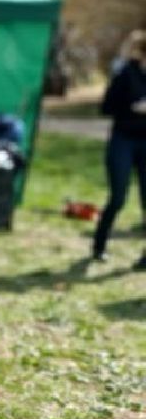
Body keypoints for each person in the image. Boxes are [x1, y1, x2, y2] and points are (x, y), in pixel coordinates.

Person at [90, 30, 146, 268]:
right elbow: (106, 107)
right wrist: (134, 107)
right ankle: (99, 245)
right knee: (118, 197)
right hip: (123, 140)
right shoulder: (126, 74)